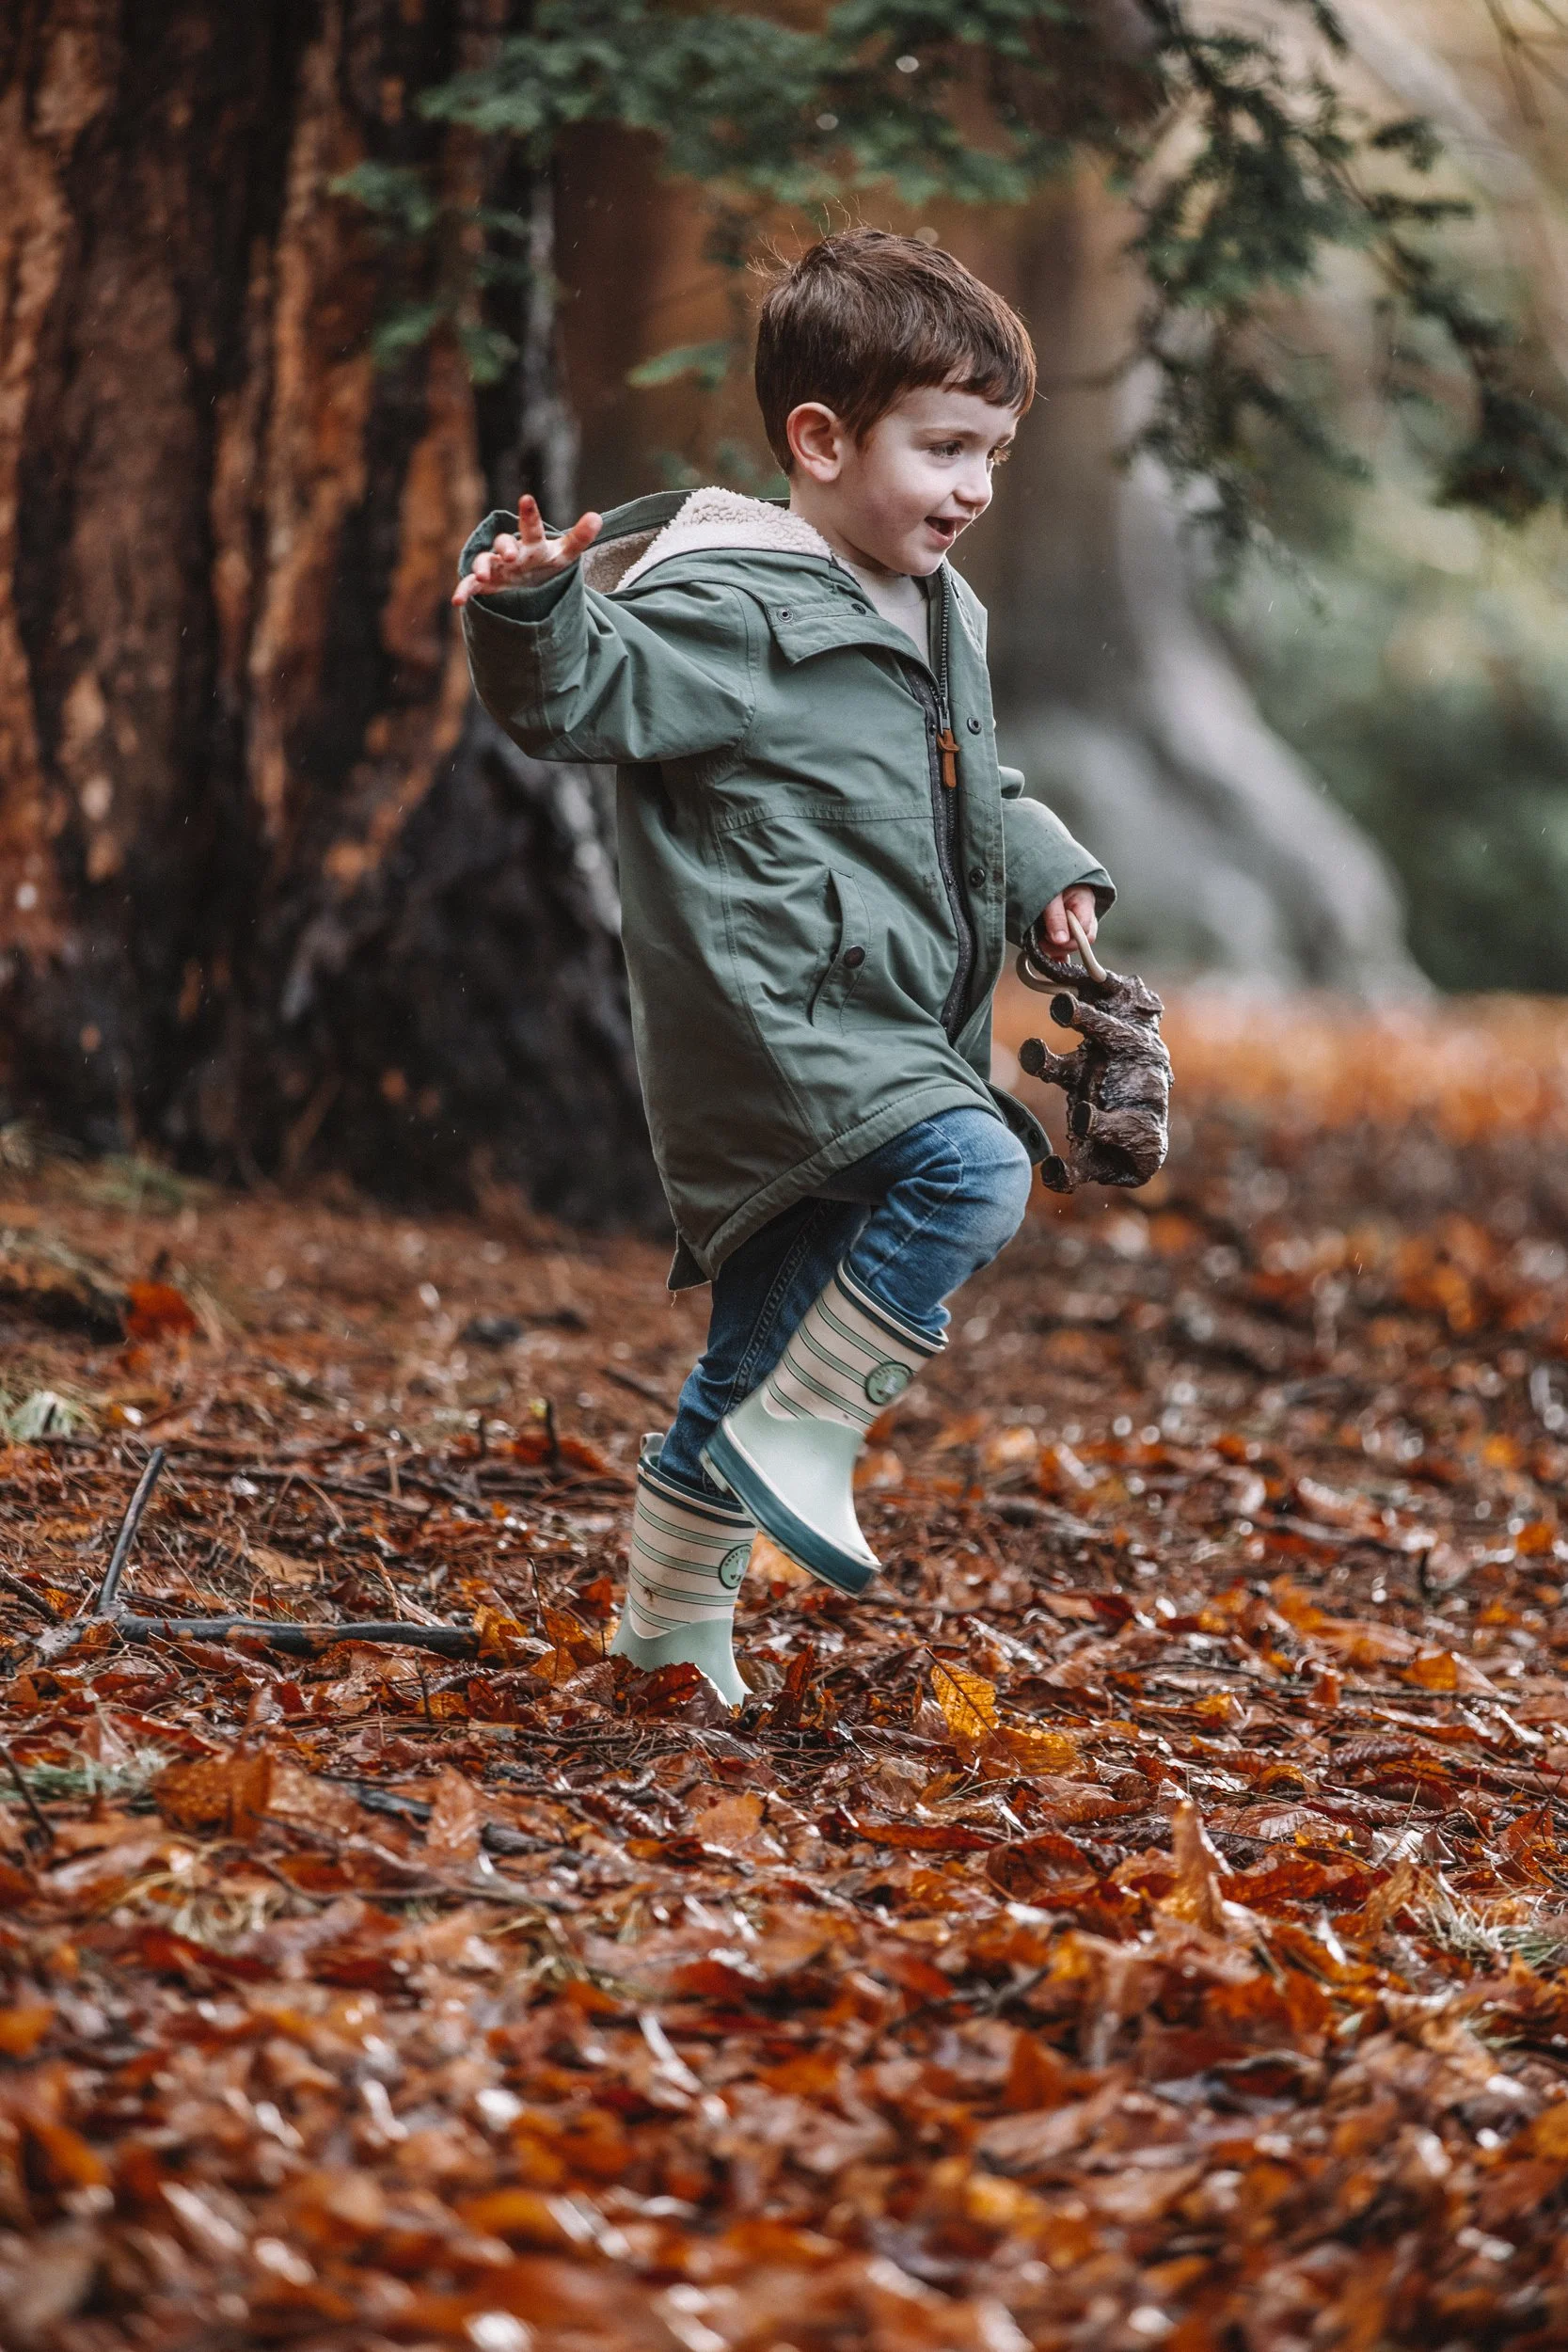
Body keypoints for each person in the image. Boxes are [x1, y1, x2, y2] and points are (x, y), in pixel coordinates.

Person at [454, 230, 1113, 1703]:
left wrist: (1047, 873)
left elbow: (975, 793)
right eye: (942, 446)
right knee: (975, 1171)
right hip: (784, 1020)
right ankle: (805, 1437)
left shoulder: (941, 615)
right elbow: (583, 698)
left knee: (745, 1353)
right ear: (818, 439)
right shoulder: (729, 601)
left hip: (887, 1016)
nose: (973, 487)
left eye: (992, 451)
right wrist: (532, 608)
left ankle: (669, 1638)